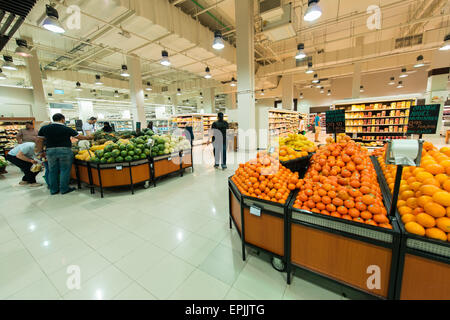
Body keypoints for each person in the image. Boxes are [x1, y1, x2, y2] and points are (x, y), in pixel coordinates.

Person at [36, 113, 92, 195]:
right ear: (62, 119)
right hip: (64, 150)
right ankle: (64, 189)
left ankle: (53, 190)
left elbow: (39, 140)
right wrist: (89, 137)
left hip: (50, 151)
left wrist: (40, 152)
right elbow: (79, 137)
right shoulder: (66, 128)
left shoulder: (44, 128)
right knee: (64, 170)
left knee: (52, 170)